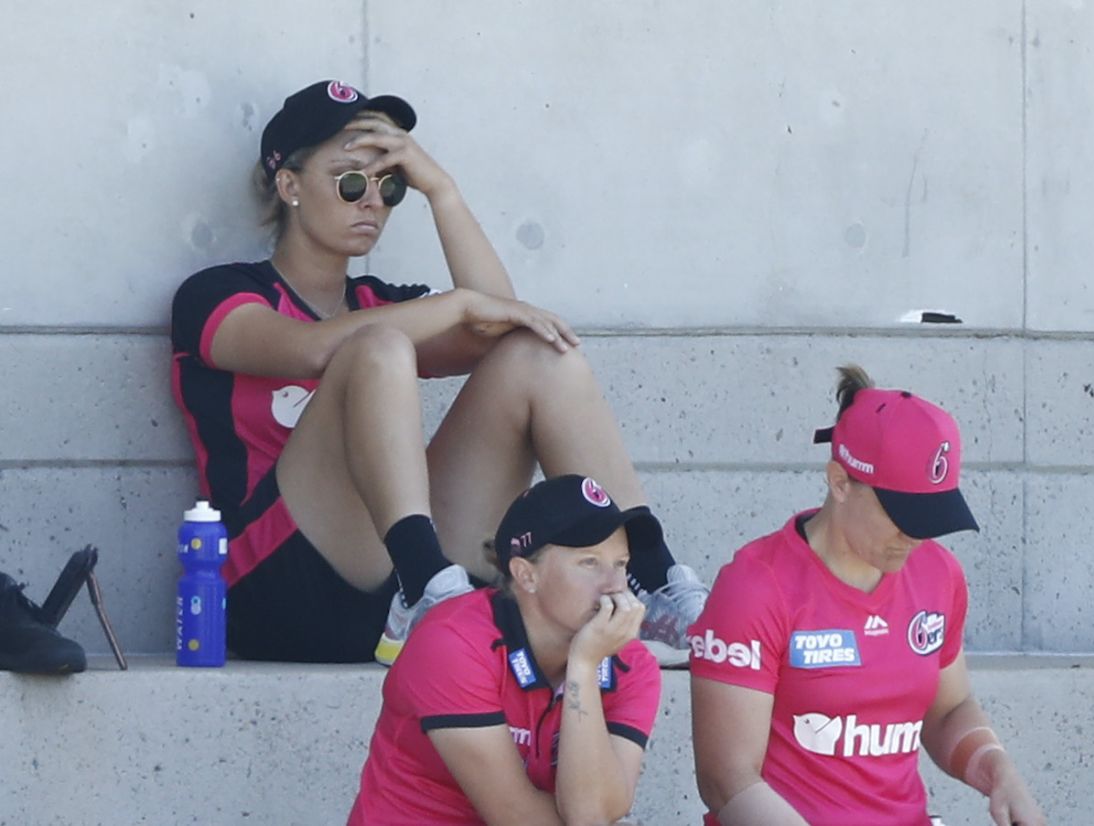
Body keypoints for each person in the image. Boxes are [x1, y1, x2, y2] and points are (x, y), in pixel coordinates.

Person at [169, 80, 707, 666]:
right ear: (289, 185)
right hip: (279, 588)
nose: (372, 201)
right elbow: (308, 351)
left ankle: (651, 583)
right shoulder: (217, 293)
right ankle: (423, 581)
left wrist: (442, 192)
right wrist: (456, 304)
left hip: (407, 601)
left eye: (390, 185)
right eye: (351, 181)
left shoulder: (378, 299)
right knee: (378, 346)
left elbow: (507, 326)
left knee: (536, 354)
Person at [689, 365, 1046, 826]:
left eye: (931, 515)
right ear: (840, 481)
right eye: (903, 513)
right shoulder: (755, 586)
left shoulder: (939, 573)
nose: (915, 536)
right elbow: (727, 779)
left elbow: (948, 709)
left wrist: (998, 769)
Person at [348, 474, 661, 825]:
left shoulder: (632, 665)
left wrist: (584, 668)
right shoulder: (452, 643)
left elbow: (592, 813)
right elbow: (514, 816)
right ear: (526, 575)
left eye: (621, 564)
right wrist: (586, 662)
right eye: (589, 563)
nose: (615, 586)